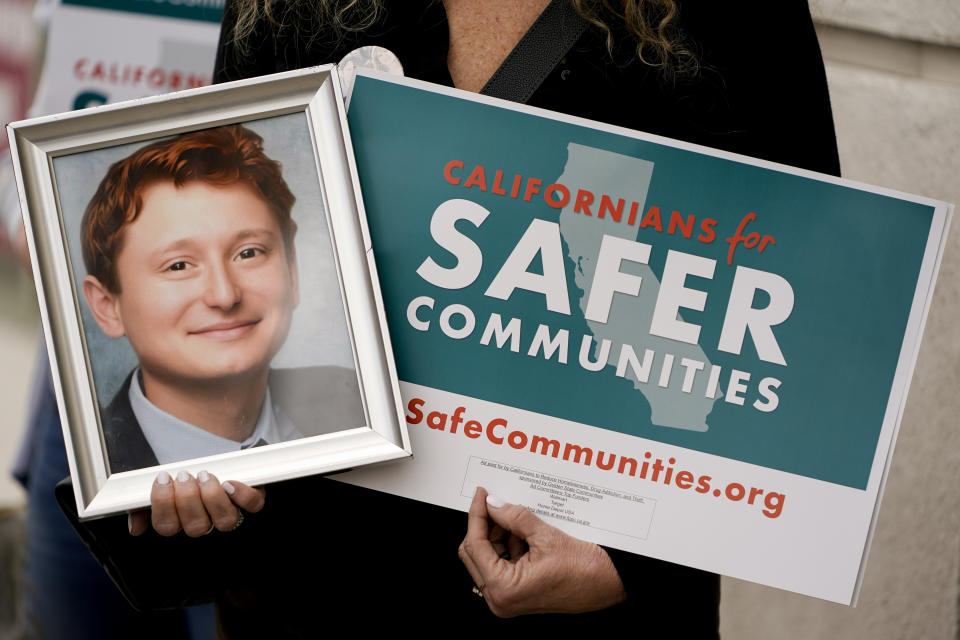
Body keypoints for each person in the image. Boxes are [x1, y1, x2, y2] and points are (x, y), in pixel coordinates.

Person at [64, 0, 841, 636]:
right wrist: (203, 497)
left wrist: (637, 568)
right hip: (322, 600)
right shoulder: (282, 8)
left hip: (594, 610)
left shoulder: (734, 18)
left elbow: (806, 314)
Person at [79, 124, 363, 473]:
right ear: (108, 307)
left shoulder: (361, 404)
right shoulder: (92, 472)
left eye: (248, 253)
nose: (225, 295)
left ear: (292, 270)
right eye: (178, 265)